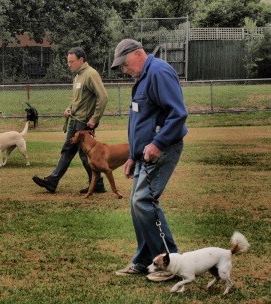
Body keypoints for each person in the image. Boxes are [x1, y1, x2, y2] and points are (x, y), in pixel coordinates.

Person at [110, 39, 188, 281]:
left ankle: (171, 263)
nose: (124, 69)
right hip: (144, 153)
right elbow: (140, 121)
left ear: (138, 54)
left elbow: (178, 114)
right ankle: (144, 260)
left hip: (161, 150)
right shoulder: (143, 78)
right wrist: (133, 156)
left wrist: (157, 143)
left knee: (144, 201)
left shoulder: (159, 72)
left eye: (124, 64)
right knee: (137, 204)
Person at [32, 47, 108, 193]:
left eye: (71, 62)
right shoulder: (78, 76)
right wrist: (69, 109)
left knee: (84, 154)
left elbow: (103, 97)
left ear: (81, 60)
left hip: (84, 122)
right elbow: (78, 99)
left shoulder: (91, 74)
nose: (69, 65)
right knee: (68, 150)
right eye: (68, 62)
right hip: (75, 119)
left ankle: (97, 183)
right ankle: (53, 181)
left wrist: (94, 118)